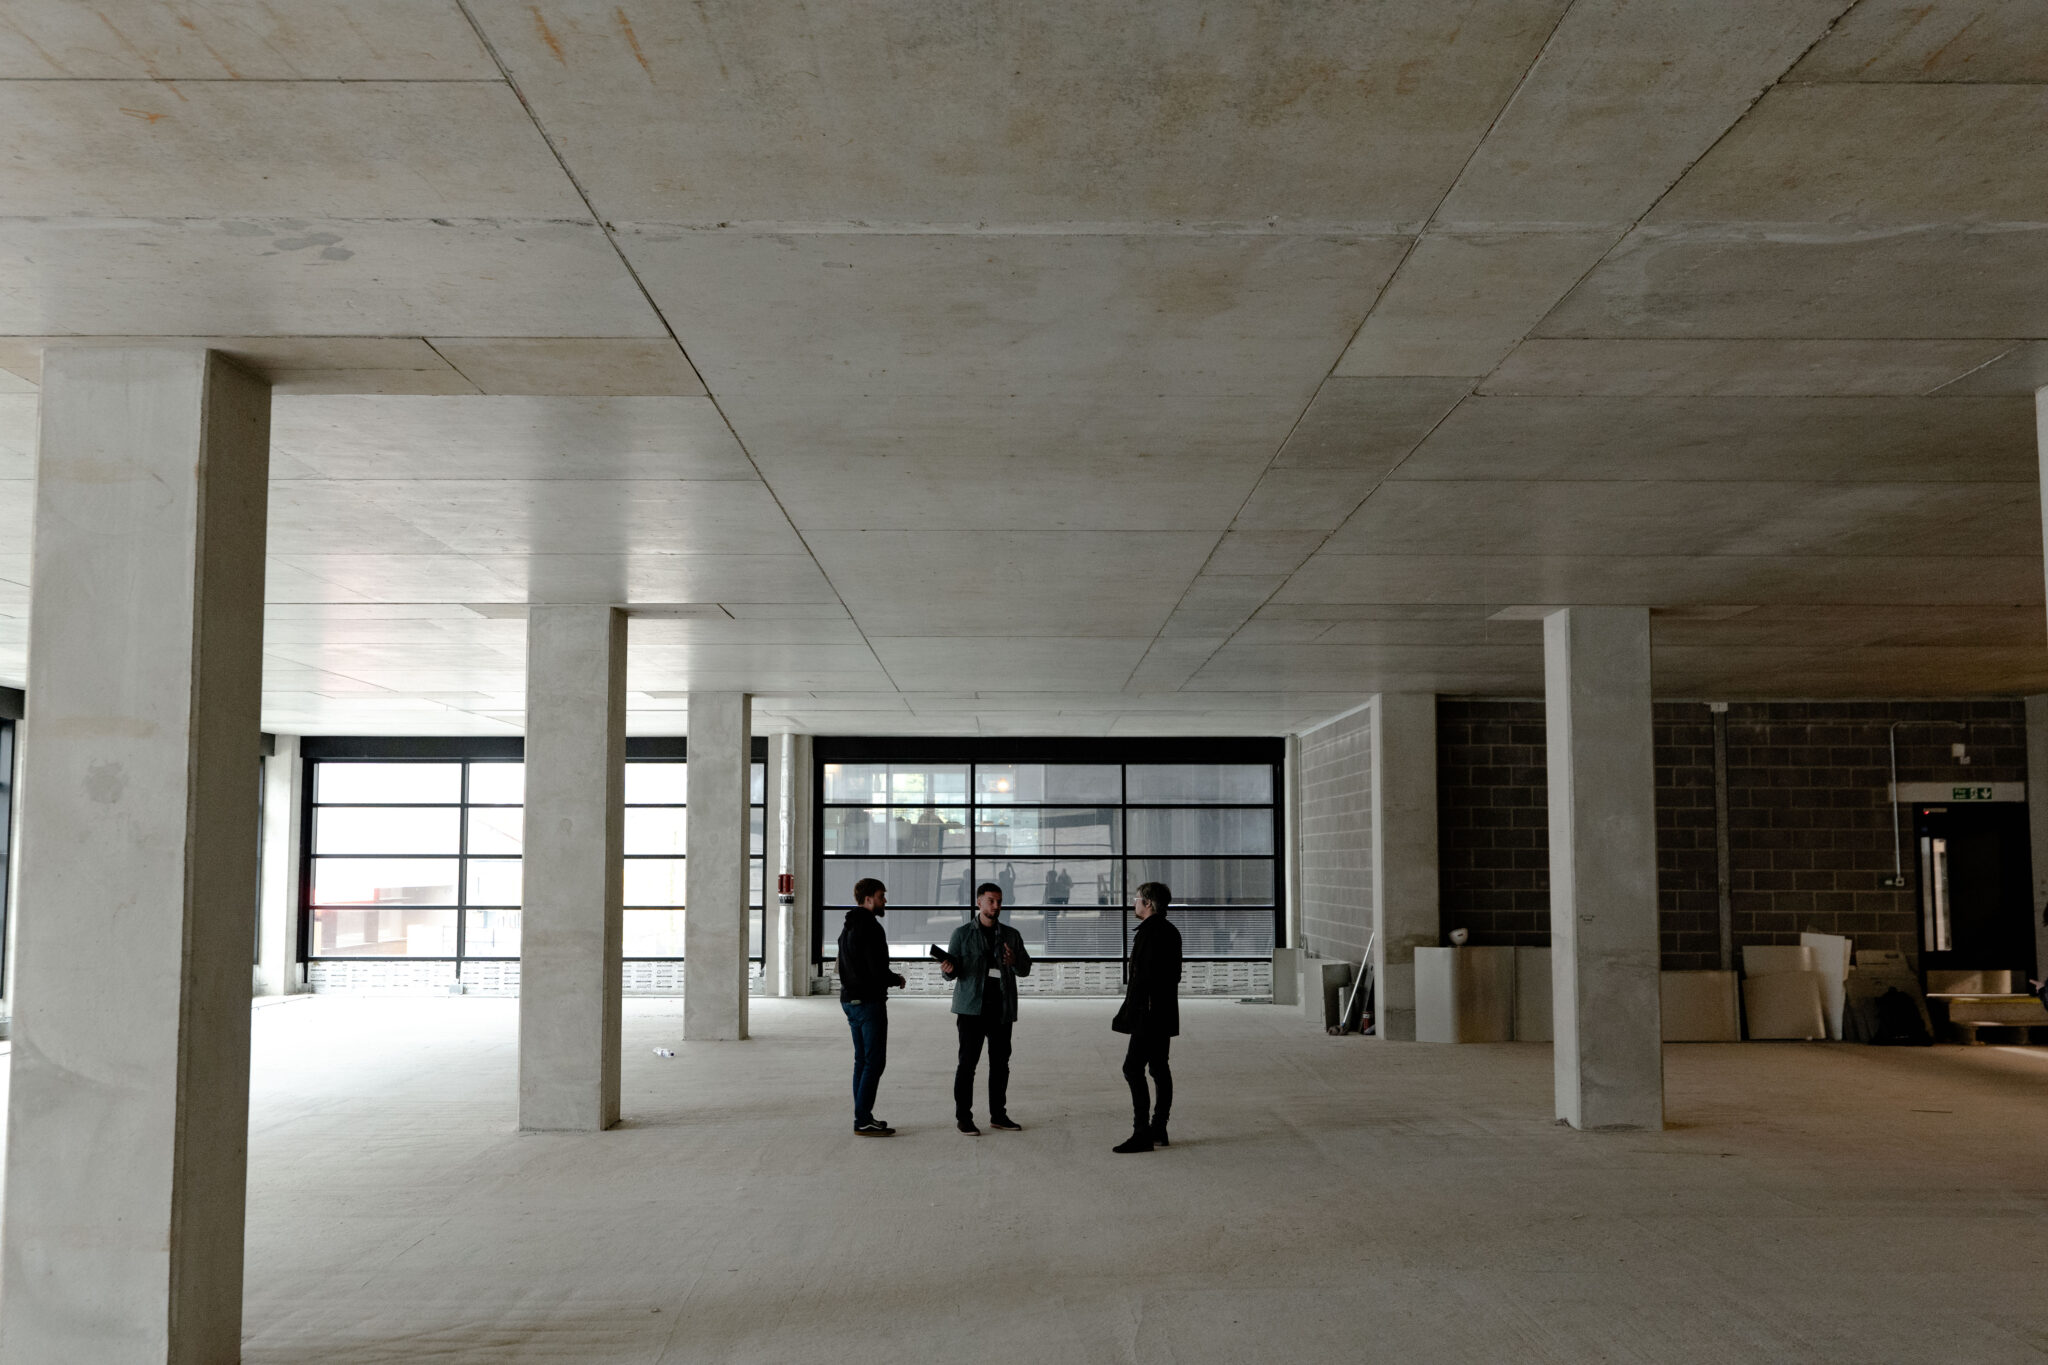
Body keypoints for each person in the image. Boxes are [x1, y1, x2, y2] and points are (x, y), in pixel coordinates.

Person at [939, 882, 1033, 1134]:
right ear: (979, 902)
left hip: (1001, 1009)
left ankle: (998, 1115)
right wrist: (948, 970)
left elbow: (1025, 969)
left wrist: (1014, 961)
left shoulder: (1011, 935)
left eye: (999, 901)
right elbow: (951, 972)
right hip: (971, 1009)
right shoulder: (961, 934)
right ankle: (963, 1117)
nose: (996, 906)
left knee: (1000, 1065)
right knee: (967, 1065)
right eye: (991, 901)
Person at [1111, 881, 1182, 1154]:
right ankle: (1159, 1128)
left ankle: (1142, 1132)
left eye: (1137, 898)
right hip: (1163, 1013)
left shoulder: (1148, 933)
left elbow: (1142, 980)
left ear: (1148, 903)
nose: (1134, 903)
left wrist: (1131, 1013)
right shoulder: (1171, 931)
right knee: (1159, 1068)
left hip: (1148, 1016)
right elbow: (1173, 976)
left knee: (1132, 1068)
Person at [837, 878, 906, 1136]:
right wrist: (896, 979)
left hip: (849, 1000)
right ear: (868, 899)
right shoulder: (871, 928)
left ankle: (862, 1116)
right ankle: (862, 1120)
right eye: (880, 896)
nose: (884, 900)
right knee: (874, 1062)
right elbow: (876, 969)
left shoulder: (847, 927)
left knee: (862, 1060)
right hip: (868, 1002)